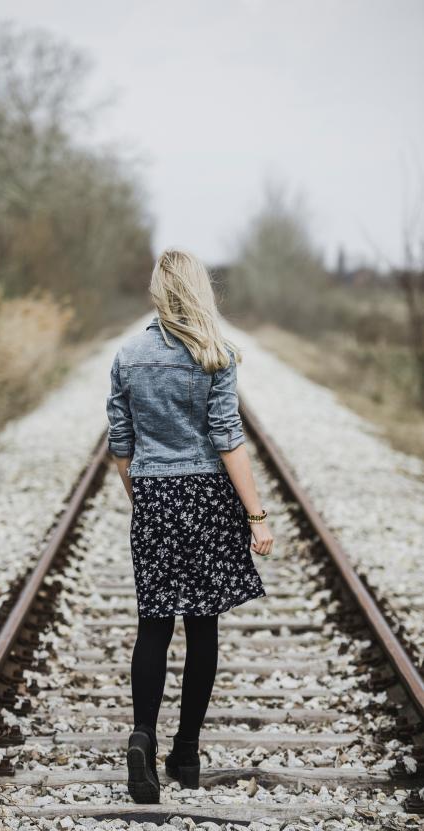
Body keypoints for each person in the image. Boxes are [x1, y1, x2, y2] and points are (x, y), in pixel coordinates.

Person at [106, 248, 274, 804]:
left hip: (155, 492)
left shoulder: (127, 355)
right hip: (207, 496)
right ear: (199, 289)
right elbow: (228, 437)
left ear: (158, 290)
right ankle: (186, 751)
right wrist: (255, 515)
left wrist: (144, 497)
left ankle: (142, 738)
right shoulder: (214, 354)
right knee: (203, 626)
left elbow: (121, 445)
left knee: (153, 622)